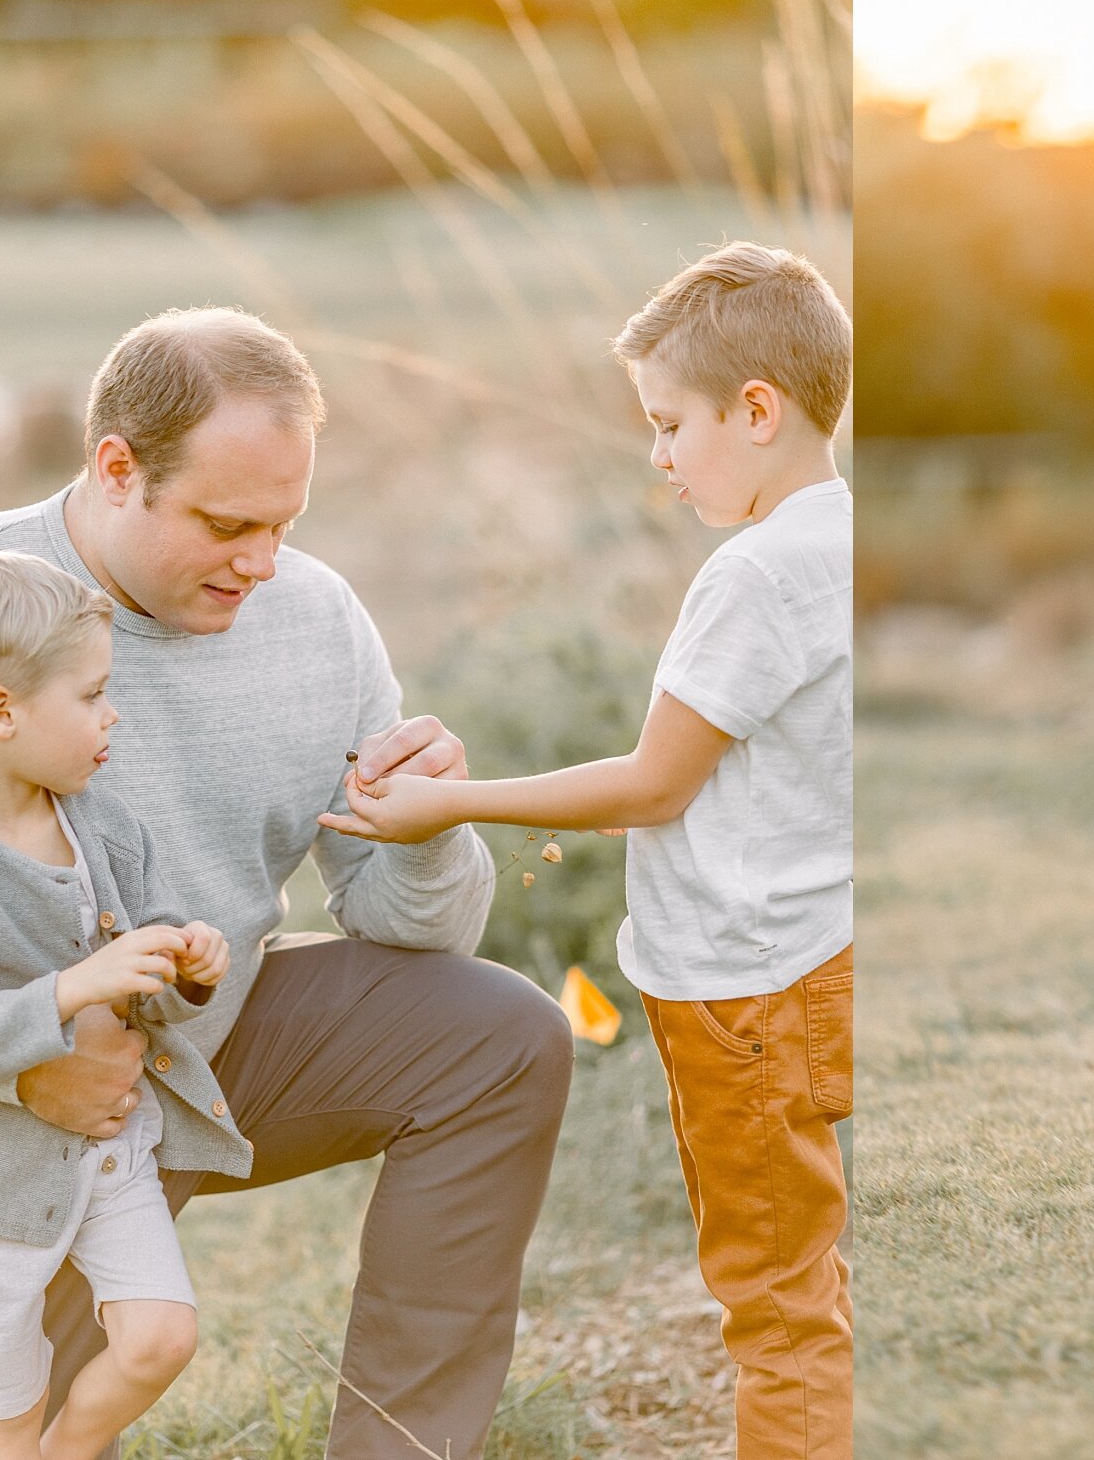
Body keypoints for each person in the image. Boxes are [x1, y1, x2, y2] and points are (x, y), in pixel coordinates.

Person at [0, 308, 574, 1460]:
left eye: (285, 524)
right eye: (227, 524)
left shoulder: (317, 620)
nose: (262, 564)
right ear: (116, 469)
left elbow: (406, 926)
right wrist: (27, 1070)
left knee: (497, 1036)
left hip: (193, 1047)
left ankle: (402, 1446)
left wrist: (432, 828)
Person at [318, 243, 853, 1458]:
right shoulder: (842, 548)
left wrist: (453, 807)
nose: (657, 455)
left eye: (670, 425)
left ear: (756, 411)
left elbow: (655, 784)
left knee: (776, 1298)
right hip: (827, 955)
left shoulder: (755, 574)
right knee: (809, 1253)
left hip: (741, 983)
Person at [0, 553, 252, 1460]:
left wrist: (184, 964)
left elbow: (140, 953)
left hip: (109, 1148)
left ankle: (69, 1449)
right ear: (0, 712)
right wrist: (79, 986)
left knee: (161, 1336)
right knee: (1, 1408)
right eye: (91, 696)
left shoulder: (99, 819)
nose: (112, 715)